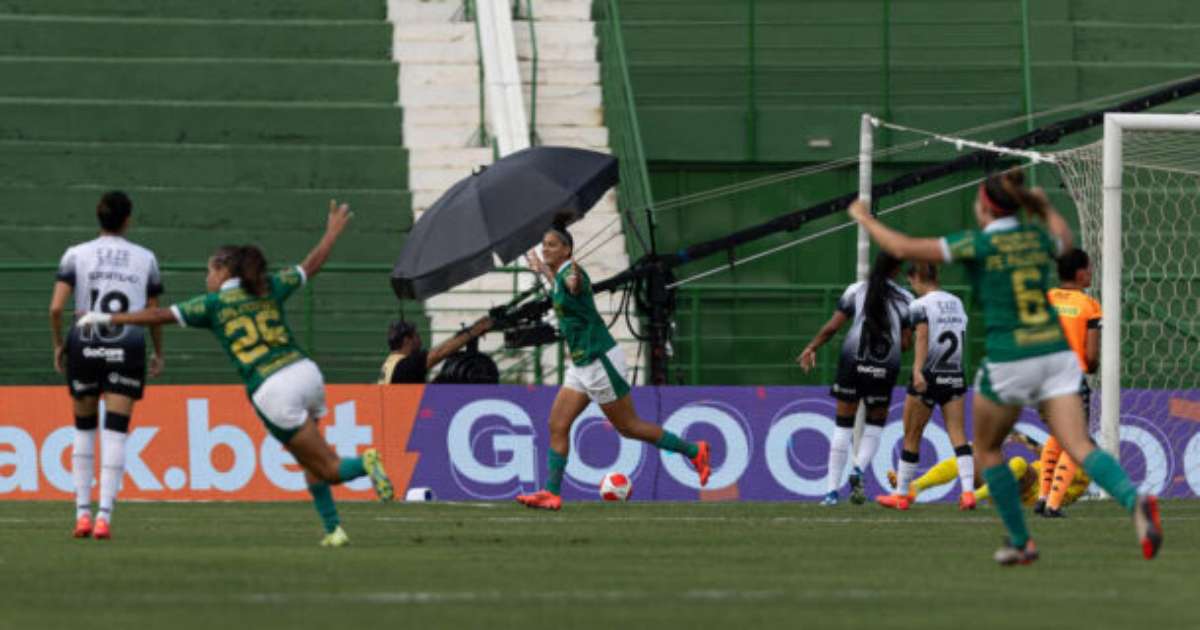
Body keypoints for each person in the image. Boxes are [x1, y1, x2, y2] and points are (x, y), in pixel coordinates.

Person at [849, 168, 1161, 564]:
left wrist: (864, 216)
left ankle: (1021, 540)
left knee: (987, 448)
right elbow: (1065, 241)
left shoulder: (978, 243)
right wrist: (1044, 205)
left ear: (984, 208)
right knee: (1079, 445)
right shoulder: (1034, 237)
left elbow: (904, 245)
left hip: (1011, 356)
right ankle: (1135, 502)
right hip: (1056, 353)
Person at [76, 201, 393, 547]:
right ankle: (333, 530)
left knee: (329, 467)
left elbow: (158, 315)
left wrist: (107, 318)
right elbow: (309, 266)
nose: (206, 277)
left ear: (224, 271)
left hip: (273, 389)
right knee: (310, 458)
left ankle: (366, 463)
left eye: (209, 271)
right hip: (306, 373)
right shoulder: (267, 286)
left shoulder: (212, 306)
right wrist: (332, 231)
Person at [515, 224, 710, 510]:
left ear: (567, 250)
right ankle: (551, 493)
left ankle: (694, 451)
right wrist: (541, 270)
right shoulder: (557, 276)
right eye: (544, 244)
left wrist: (570, 279)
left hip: (599, 360)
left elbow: (574, 282)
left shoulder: (573, 273)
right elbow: (560, 282)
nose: (545, 249)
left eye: (552, 245)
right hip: (582, 364)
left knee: (629, 427)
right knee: (557, 424)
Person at [49, 191, 166, 540]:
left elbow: (55, 308)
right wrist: (158, 351)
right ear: (127, 219)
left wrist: (59, 345)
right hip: (126, 347)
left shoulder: (76, 254)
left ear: (98, 218)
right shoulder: (146, 258)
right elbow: (154, 312)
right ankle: (104, 517)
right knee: (116, 431)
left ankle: (82, 515)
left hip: (83, 345)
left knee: (83, 430)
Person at [798, 251, 913, 506]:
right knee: (875, 425)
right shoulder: (906, 299)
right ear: (897, 271)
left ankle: (830, 493)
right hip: (884, 369)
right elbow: (905, 344)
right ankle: (858, 469)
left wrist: (811, 347)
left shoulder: (856, 291)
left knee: (842, 426)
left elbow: (832, 327)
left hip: (852, 366)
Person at [876, 262, 973, 511]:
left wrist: (918, 369)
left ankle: (900, 495)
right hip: (954, 373)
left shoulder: (920, 305)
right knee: (958, 434)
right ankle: (969, 493)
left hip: (928, 375)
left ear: (917, 277)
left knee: (911, 434)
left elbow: (922, 335)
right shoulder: (957, 302)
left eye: (911, 283)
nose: (912, 287)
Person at [1034, 249, 1102, 518]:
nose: (1092, 272)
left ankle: (1041, 497)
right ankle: (1054, 503)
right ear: (1080, 273)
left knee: (1057, 436)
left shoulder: (1046, 300)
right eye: (1089, 268)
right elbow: (1092, 356)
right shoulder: (1090, 306)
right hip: (1071, 378)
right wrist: (1092, 366)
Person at [889, 432, 1089, 508]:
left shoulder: (1082, 473)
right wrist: (1026, 440)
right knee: (972, 454)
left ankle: (974, 496)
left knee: (1018, 463)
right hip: (1004, 488)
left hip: (1030, 493)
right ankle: (915, 486)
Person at [378, 317, 492, 384]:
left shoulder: (391, 363)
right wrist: (474, 332)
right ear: (407, 340)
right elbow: (440, 352)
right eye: (416, 335)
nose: (419, 338)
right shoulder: (405, 365)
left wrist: (460, 337)